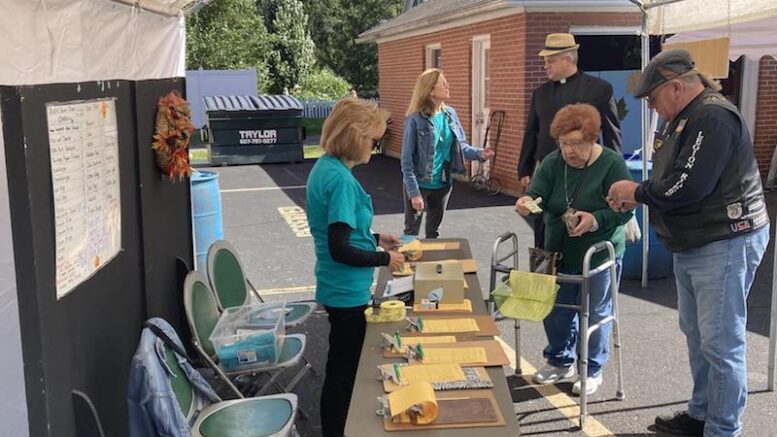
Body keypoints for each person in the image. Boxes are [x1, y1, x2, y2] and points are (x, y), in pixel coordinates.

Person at [607, 49, 770, 437]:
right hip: (698, 241)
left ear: (676, 86)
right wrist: (643, 194)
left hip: (724, 240)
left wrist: (637, 191)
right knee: (699, 336)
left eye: (653, 98)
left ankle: (722, 429)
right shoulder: (687, 117)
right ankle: (701, 416)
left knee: (720, 343)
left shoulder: (711, 116)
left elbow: (687, 185)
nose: (651, 107)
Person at [515, 103, 632, 395]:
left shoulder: (612, 164)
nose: (569, 151)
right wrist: (527, 204)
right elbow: (537, 196)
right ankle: (559, 360)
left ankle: (591, 368)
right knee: (554, 310)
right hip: (556, 252)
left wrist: (595, 219)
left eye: (576, 143)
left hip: (598, 253)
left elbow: (625, 211)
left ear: (593, 138)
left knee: (594, 312)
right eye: (564, 143)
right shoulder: (553, 163)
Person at [305, 98, 405, 437]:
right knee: (345, 373)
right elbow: (341, 249)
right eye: (372, 140)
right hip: (346, 292)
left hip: (336, 287)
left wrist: (376, 237)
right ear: (354, 136)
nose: (374, 147)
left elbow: (340, 230)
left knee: (342, 367)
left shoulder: (326, 168)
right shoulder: (343, 182)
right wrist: (385, 258)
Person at [518, 33, 623, 249]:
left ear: (569, 58)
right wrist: (524, 169)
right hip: (547, 170)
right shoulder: (540, 93)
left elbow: (613, 135)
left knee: (581, 224)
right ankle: (546, 271)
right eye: (545, 60)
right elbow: (531, 132)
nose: (545, 65)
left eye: (550, 60)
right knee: (541, 229)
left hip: (587, 170)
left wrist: (617, 178)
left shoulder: (599, 89)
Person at [401, 68, 494, 238]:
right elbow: (406, 162)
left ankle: (431, 264)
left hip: (443, 184)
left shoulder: (450, 114)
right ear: (430, 90)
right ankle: (403, 264)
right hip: (420, 184)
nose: (447, 86)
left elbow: (461, 146)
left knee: (433, 233)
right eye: (442, 83)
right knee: (411, 232)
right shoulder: (414, 119)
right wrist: (414, 194)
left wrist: (479, 153)